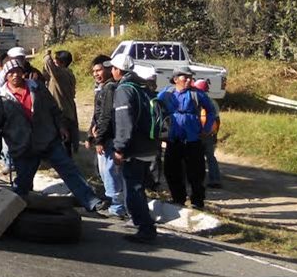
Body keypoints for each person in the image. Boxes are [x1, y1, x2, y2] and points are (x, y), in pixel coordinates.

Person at [0, 58, 109, 213]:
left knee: (69, 170)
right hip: (23, 145)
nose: (15, 75)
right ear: (6, 77)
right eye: (11, 73)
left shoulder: (37, 88)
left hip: (47, 138)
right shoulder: (0, 98)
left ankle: (91, 201)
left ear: (23, 73)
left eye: (18, 71)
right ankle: (9, 212)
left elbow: (53, 108)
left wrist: (61, 126)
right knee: (22, 182)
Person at [109, 55, 160, 243]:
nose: (111, 71)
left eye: (112, 68)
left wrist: (120, 148)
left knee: (133, 189)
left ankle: (145, 228)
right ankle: (144, 223)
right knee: (139, 187)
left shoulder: (124, 90)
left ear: (118, 70)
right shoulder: (144, 87)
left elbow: (124, 123)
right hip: (149, 146)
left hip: (134, 149)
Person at [157, 65, 218, 209]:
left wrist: (206, 128)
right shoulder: (166, 93)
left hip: (193, 139)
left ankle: (197, 201)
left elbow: (211, 111)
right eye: (186, 77)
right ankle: (178, 199)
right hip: (174, 139)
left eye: (191, 77)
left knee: (196, 172)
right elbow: (156, 108)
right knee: (172, 171)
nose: (189, 80)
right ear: (176, 79)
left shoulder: (197, 94)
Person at [88, 54, 126, 219]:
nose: (96, 74)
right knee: (105, 171)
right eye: (94, 71)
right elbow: (97, 115)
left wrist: (100, 139)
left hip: (109, 138)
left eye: (99, 70)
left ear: (110, 69)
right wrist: (91, 134)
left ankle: (116, 207)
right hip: (104, 136)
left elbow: (106, 116)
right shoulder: (103, 87)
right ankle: (114, 203)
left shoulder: (110, 88)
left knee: (110, 171)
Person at [43, 49, 79, 156]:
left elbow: (48, 64)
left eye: (56, 61)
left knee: (63, 139)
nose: (54, 62)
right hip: (68, 110)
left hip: (62, 111)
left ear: (61, 63)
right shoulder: (68, 73)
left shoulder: (61, 73)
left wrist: (47, 54)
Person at [193, 79, 223, 188]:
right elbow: (217, 120)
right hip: (210, 134)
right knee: (210, 157)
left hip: (198, 134)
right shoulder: (213, 102)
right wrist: (215, 134)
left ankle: (197, 180)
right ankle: (215, 180)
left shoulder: (196, 100)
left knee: (196, 157)